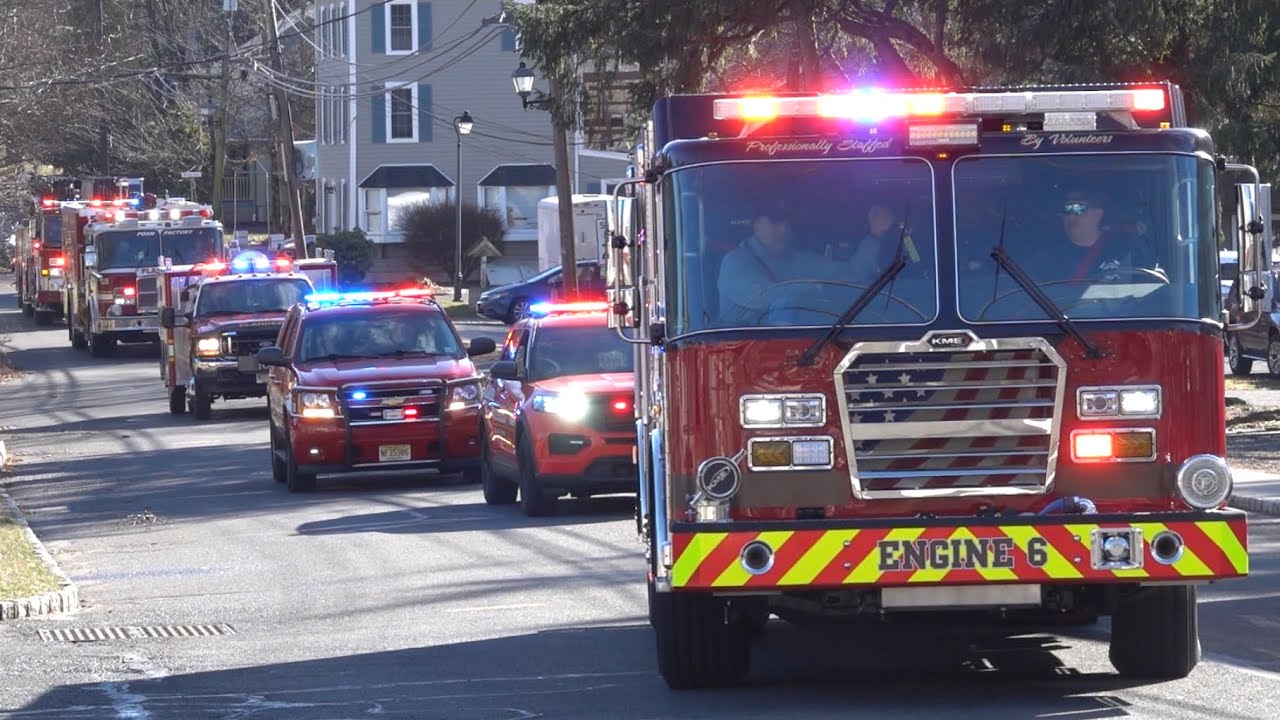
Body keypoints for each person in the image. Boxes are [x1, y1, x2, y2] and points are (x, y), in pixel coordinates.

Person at [717, 202, 832, 323]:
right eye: (775, 222)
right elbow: (762, 296)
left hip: (816, 339)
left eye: (788, 223)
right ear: (757, 227)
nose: (784, 229)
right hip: (746, 340)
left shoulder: (800, 258)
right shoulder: (735, 262)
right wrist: (816, 287)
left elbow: (847, 274)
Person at [1043, 188, 1146, 281]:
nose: (1070, 215)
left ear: (1098, 213)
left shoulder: (1127, 249)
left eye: (1077, 208)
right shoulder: (1047, 256)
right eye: (1064, 208)